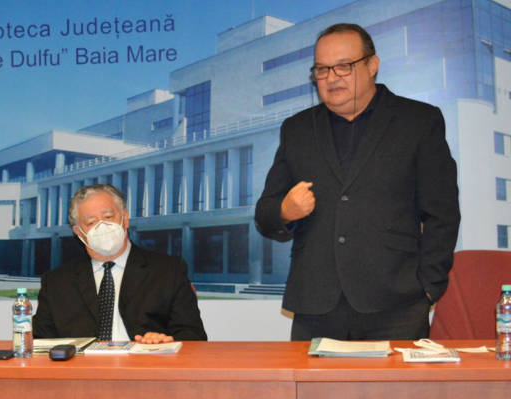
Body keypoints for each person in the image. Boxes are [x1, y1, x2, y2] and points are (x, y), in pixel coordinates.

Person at [254, 23, 460, 341]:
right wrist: (284, 211)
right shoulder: (297, 129)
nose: (331, 77)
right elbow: (265, 213)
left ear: (372, 65)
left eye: (343, 66)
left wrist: (428, 288)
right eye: (322, 69)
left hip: (396, 307)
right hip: (315, 306)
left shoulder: (418, 121)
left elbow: (442, 215)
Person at [32, 184, 207, 343]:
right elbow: (40, 343)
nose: (102, 226)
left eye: (109, 216)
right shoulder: (56, 282)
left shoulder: (168, 271)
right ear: (78, 232)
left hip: (145, 365)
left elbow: (193, 336)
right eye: (91, 222)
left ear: (125, 218)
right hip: (82, 367)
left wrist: (166, 342)